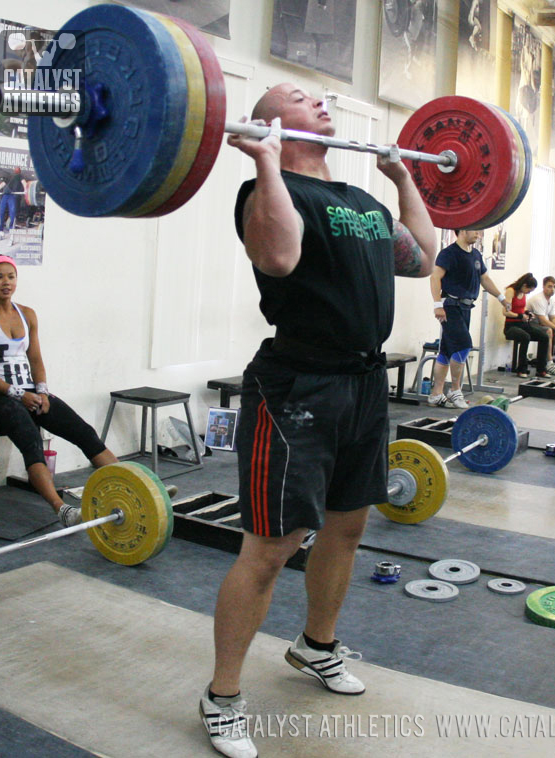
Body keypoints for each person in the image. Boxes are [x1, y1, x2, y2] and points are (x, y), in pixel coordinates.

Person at [199, 83, 437, 758]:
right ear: (273, 121)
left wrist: (402, 179)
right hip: (298, 385)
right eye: (304, 97)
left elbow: (423, 259)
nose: (324, 101)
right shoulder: (267, 194)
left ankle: (316, 646)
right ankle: (221, 696)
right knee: (271, 550)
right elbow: (278, 259)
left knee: (349, 526)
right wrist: (265, 164)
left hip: (365, 384)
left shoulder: (361, 203)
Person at [0, 256, 118, 526]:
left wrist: (42, 392)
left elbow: (35, 359)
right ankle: (62, 510)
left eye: (11, 277)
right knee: (31, 443)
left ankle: (133, 485)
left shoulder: (27, 314)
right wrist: (20, 395)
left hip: (30, 392)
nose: (6, 283)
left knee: (84, 432)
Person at [428, 228, 507, 408]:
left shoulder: (476, 254)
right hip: (450, 306)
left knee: (447, 351)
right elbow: (435, 277)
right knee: (464, 345)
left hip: (466, 307)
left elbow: (484, 279)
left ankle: (435, 394)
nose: (479, 234)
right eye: (476, 231)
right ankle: (455, 390)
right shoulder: (449, 254)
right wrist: (437, 304)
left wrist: (501, 298)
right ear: (463, 230)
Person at [503, 272, 549, 378]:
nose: (528, 293)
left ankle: (541, 369)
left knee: (544, 337)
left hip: (522, 324)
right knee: (525, 337)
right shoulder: (511, 291)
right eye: (529, 290)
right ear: (524, 285)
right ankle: (521, 369)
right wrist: (520, 316)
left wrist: (527, 312)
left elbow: (521, 308)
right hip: (511, 326)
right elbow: (505, 312)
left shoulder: (523, 293)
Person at [527, 275, 555, 375]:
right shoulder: (539, 299)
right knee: (549, 331)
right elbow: (543, 321)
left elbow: (553, 317)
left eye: (554, 287)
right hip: (528, 324)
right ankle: (549, 363)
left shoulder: (551, 300)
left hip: (538, 324)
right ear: (543, 287)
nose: (552, 289)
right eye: (549, 286)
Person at [0, 168, 25, 244]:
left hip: (13, 195)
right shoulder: (9, 176)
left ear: (19, 171)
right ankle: (0, 232)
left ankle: (11, 237)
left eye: (17, 169)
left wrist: (26, 190)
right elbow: (2, 184)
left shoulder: (20, 176)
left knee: (12, 215)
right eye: (15, 168)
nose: (16, 169)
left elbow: (24, 183)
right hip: (5, 195)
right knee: (1, 212)